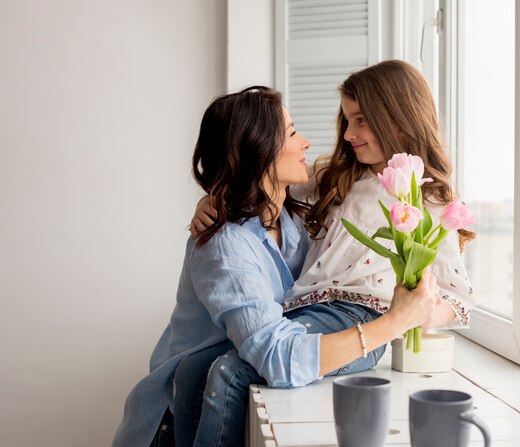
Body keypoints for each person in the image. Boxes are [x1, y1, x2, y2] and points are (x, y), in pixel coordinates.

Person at [112, 85, 440, 447]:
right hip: (174, 423)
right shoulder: (225, 245)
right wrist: (394, 322)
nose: (307, 144)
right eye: (293, 133)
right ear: (259, 151)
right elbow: (278, 358)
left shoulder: (295, 224)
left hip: (213, 388)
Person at [184, 60, 475, 446]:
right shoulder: (335, 177)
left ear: (400, 121)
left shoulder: (429, 201)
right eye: (347, 121)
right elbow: (260, 181)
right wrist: (213, 198)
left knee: (231, 373)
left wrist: (421, 310)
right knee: (191, 369)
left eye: (360, 121)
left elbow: (459, 298)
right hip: (304, 310)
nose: (349, 133)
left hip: (360, 318)